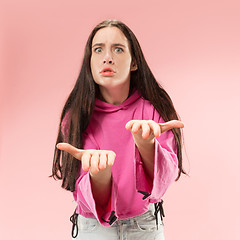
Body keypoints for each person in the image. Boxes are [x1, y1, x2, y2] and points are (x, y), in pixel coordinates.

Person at [51, 19, 185, 240]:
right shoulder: (76, 116)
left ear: (134, 62)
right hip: (93, 228)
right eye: (98, 50)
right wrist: (99, 176)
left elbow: (163, 182)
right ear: (90, 62)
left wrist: (147, 146)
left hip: (146, 226)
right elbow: (83, 192)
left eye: (118, 49)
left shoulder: (154, 110)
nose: (107, 57)